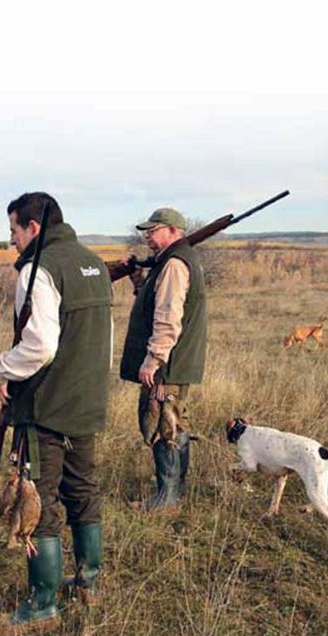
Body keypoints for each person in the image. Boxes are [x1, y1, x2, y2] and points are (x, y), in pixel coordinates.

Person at [0, 192, 113, 626]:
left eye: (14, 231)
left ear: (33, 228)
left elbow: (41, 344)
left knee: (37, 499)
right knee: (83, 491)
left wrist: (2, 368)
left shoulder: (38, 268)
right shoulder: (94, 264)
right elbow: (105, 340)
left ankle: (43, 604)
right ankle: (88, 584)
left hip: (46, 405)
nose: (12, 242)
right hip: (88, 401)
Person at [119, 207, 207, 511]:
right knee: (176, 424)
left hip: (167, 365)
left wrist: (153, 359)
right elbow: (157, 301)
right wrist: (138, 281)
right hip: (176, 362)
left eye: (153, 230)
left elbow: (168, 316)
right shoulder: (171, 262)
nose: (147, 236)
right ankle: (175, 492)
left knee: (162, 425)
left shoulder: (173, 264)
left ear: (172, 231)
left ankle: (165, 499)